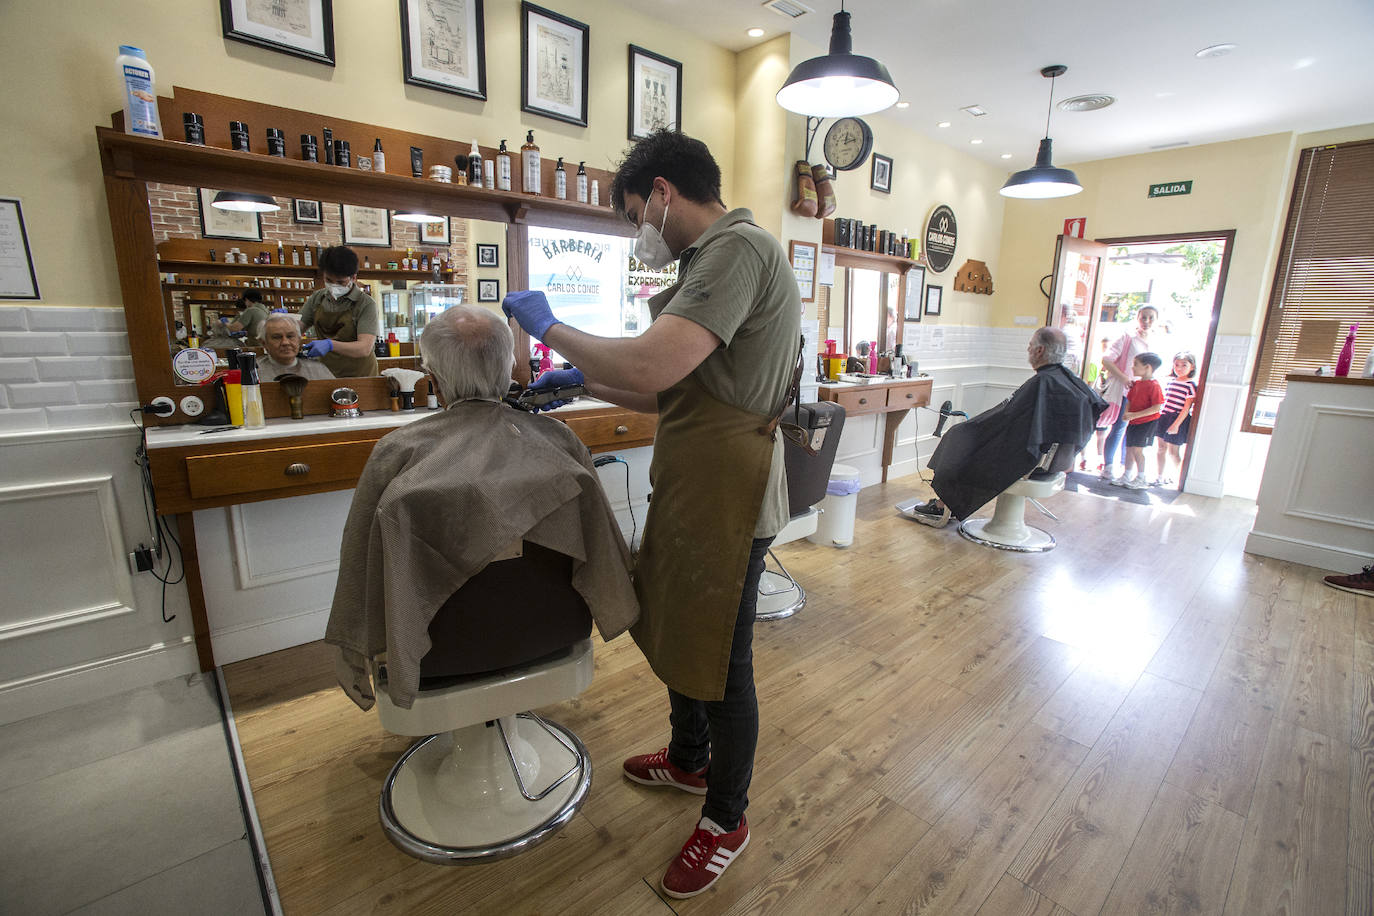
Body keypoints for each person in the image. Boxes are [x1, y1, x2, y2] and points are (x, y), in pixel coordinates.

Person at [501, 129, 800, 899]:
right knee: (669, 620)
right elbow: (668, 391)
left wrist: (550, 327)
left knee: (724, 665)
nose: (641, 230)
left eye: (637, 212)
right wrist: (584, 382)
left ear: (664, 193)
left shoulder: (740, 250)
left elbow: (651, 363)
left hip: (731, 490)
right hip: (696, 477)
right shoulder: (710, 259)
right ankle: (689, 758)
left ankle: (725, 817)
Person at [323, 304, 638, 711]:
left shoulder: (395, 452)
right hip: (553, 630)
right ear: (508, 371)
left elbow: (361, 571)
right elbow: (603, 551)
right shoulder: (559, 441)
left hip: (439, 651)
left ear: (433, 380)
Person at [907, 326, 1107, 527]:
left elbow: (1006, 420)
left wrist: (967, 430)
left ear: (1039, 351)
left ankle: (943, 504)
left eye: (1030, 346)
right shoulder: (1070, 382)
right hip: (1051, 460)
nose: (1028, 350)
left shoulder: (1043, 383)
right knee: (966, 441)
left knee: (961, 444)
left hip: (1029, 461)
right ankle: (946, 502)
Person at [299, 246, 380, 377]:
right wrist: (284, 320)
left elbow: (364, 348)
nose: (334, 285)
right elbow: (297, 327)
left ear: (354, 278)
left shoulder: (366, 304)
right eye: (329, 280)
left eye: (341, 282)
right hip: (325, 372)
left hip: (360, 375)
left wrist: (330, 345)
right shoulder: (317, 298)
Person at [1099, 305, 1159, 480]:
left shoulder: (1156, 341)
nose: (1146, 321)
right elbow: (1107, 359)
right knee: (1119, 427)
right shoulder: (1128, 338)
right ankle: (1108, 466)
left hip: (1145, 392)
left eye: (1150, 318)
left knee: (1135, 431)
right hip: (1126, 391)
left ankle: (1128, 470)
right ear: (1138, 318)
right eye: (1143, 317)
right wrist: (1125, 378)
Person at [1112, 351, 1164, 489]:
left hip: (1146, 423)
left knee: (1137, 450)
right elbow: (1129, 400)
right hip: (1134, 422)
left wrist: (1135, 415)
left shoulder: (1154, 386)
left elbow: (1156, 407)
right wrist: (1127, 412)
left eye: (1136, 364)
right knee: (1129, 448)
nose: (1132, 367)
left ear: (1147, 367)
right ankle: (1127, 474)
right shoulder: (1136, 384)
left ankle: (1141, 477)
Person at [1153, 351, 1197, 486]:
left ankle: (1179, 479)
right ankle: (1159, 476)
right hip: (1164, 417)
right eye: (1177, 365)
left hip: (1177, 419)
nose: (1179, 368)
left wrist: (1176, 424)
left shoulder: (1190, 385)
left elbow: (1186, 408)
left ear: (1192, 367)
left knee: (1173, 452)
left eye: (1184, 365)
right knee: (1161, 448)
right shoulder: (1171, 381)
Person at [255, 313, 335, 381]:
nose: (285, 342)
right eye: (277, 337)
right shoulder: (254, 372)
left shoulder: (318, 369)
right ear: (264, 343)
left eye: (290, 336)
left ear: (299, 339)